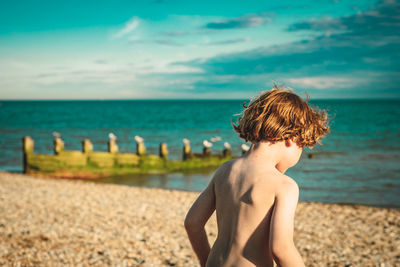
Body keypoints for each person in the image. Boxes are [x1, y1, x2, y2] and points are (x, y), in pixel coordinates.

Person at [184, 85, 330, 267]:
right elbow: (281, 248)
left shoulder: (225, 170)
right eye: (302, 146)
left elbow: (192, 222)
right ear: (291, 139)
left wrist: (205, 261)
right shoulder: (284, 185)